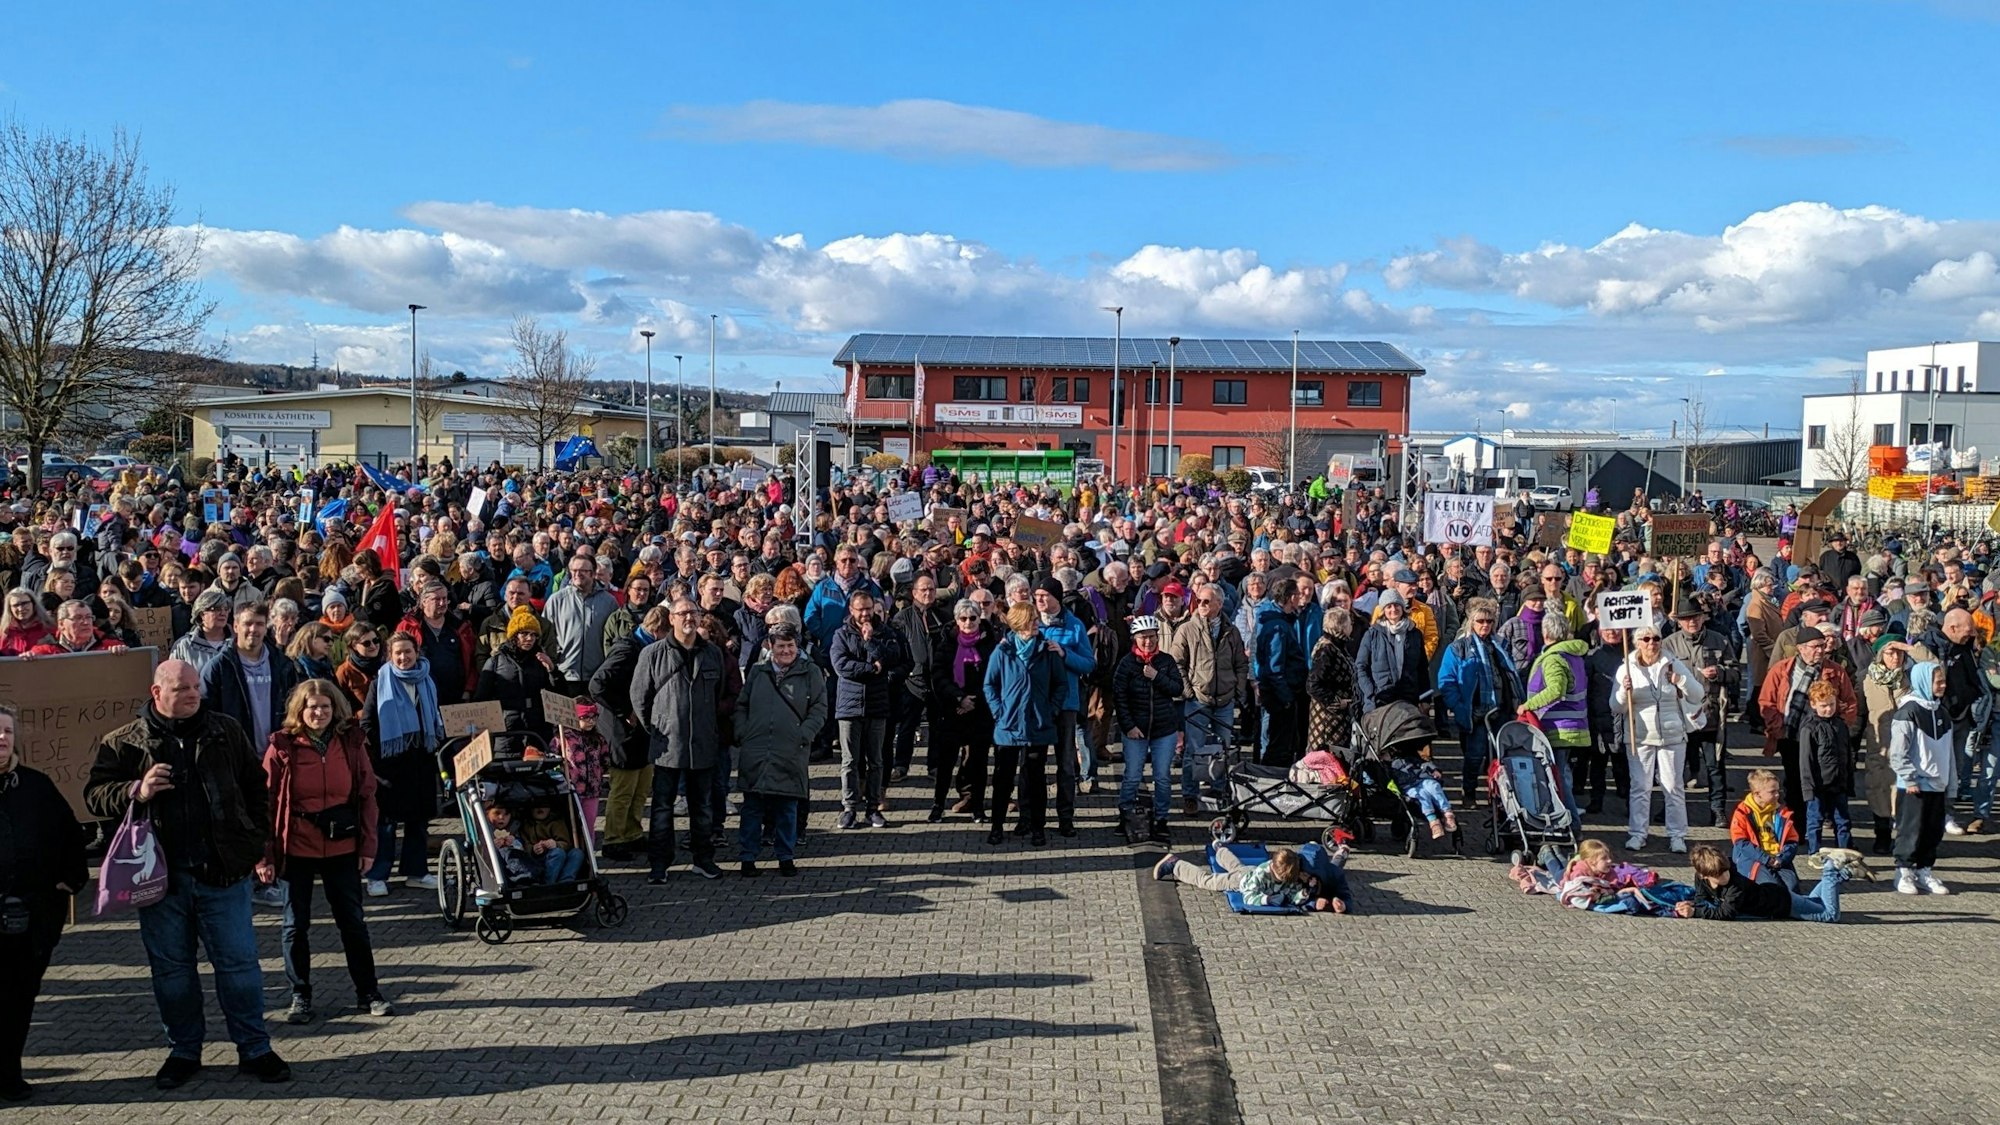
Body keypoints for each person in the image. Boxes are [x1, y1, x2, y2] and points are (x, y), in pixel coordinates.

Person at [84, 660, 292, 1089]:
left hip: (223, 874)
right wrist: (134, 790)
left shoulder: (225, 730)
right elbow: (94, 796)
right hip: (161, 881)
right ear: (157, 693)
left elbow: (257, 788)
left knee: (238, 966)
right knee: (173, 972)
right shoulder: (125, 742)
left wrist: (254, 844)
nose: (193, 694)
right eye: (182, 688)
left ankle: (254, 1048)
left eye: (196, 686)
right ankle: (184, 1050)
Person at [259, 679, 393, 1025]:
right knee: (294, 925)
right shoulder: (282, 746)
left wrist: (368, 847)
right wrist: (265, 856)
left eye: (325, 706)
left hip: (342, 844)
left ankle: (368, 992)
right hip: (297, 846)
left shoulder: (350, 743)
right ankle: (300, 995)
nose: (319, 713)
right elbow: (266, 804)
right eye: (312, 707)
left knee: (353, 923)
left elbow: (367, 796)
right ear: (299, 710)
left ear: (336, 709)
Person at [0, 703, 85, 1103]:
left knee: (19, 999)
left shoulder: (36, 786)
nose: (1, 739)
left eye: (6, 732)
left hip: (30, 919)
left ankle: (9, 1074)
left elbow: (69, 834)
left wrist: (70, 879)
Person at [630, 598, 734, 883]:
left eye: (693, 612)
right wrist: (658, 726)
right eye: (683, 613)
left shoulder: (713, 653)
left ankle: (703, 859)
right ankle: (659, 864)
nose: (689, 617)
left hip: (702, 743)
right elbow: (640, 698)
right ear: (671, 618)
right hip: (667, 745)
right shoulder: (652, 654)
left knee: (703, 807)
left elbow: (719, 693)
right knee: (662, 808)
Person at [732, 622, 826, 876]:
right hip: (757, 748)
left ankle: (785, 856)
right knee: (752, 806)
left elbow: (819, 708)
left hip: (791, 748)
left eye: (791, 646)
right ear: (770, 647)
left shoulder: (811, 672)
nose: (786, 651)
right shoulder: (757, 672)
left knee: (787, 806)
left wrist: (804, 734)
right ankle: (748, 857)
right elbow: (742, 705)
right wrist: (743, 732)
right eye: (781, 646)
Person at [360, 631, 444, 898]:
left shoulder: (427, 680)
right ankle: (377, 875)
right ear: (390, 655)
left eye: (408, 652)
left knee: (418, 821)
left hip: (421, 761)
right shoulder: (380, 682)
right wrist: (382, 752)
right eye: (398, 653)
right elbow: (367, 723)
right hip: (390, 766)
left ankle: (416, 872)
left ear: (416, 652)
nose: (403, 657)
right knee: (386, 824)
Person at [1612, 624, 1704, 853]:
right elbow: (1615, 705)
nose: (1651, 643)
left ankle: (1677, 835)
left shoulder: (1673, 663)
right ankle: (1638, 833)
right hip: (1640, 735)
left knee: (1673, 786)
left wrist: (1680, 680)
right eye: (1645, 639)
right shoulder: (1627, 668)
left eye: (1655, 638)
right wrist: (1624, 691)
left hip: (1672, 734)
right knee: (1640, 787)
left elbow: (1698, 693)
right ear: (1636, 643)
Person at [828, 589, 910, 829]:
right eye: (860, 609)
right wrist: (872, 669)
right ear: (851, 610)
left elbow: (892, 658)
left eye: (868, 609)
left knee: (876, 760)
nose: (865, 614)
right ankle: (849, 808)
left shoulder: (886, 633)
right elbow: (841, 666)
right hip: (849, 707)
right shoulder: (841, 634)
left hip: (878, 705)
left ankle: (873, 808)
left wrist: (870, 641)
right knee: (849, 761)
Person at [983, 603, 1062, 847]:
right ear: (1019, 624)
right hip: (1009, 726)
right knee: (1003, 779)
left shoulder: (1047, 651)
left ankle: (1038, 828)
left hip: (1038, 725)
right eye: (1032, 620)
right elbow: (990, 685)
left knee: (1036, 780)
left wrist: (1050, 710)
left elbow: (1060, 685)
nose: (1036, 624)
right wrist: (999, 712)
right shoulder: (1003, 651)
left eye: (1037, 620)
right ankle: (997, 827)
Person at [1167, 581, 1247, 815]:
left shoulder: (1231, 631)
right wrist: (1188, 691)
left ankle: (1219, 791)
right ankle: (1190, 795)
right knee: (1194, 750)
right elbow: (1176, 663)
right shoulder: (1187, 629)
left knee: (1222, 749)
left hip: (1224, 699)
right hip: (1197, 699)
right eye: (1198, 601)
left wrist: (1238, 689)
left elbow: (1241, 663)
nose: (1200, 605)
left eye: (1206, 601)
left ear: (1219, 604)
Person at [1437, 597, 1520, 804]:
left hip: (1502, 707)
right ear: (1471, 622)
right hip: (1476, 711)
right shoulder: (1458, 648)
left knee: (1501, 756)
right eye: (1480, 621)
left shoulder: (1501, 645)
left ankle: (1499, 795)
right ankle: (1469, 792)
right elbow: (1446, 681)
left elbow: (1512, 674)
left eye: (1489, 621)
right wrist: (1459, 707)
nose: (1485, 625)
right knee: (1474, 755)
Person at [1113, 615, 1185, 844]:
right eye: (1143, 638)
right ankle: (1125, 814)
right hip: (1136, 730)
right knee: (1132, 776)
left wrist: (1156, 677)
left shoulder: (1166, 661)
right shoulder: (1126, 664)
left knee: (1162, 777)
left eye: (1152, 637)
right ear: (1135, 639)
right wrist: (1129, 726)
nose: (1148, 642)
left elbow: (1177, 688)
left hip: (1164, 729)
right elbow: (1119, 698)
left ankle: (1161, 818)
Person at [1889, 660, 1956, 895]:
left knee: (1933, 830)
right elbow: (1898, 751)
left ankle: (1924, 869)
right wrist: (1909, 778)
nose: (1943, 685)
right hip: (1914, 785)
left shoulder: (1942, 713)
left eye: (1944, 681)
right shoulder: (1908, 711)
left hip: (1937, 784)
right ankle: (1903, 871)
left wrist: (1951, 783)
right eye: (1938, 681)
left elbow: (1949, 752)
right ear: (1924, 682)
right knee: (1911, 829)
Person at [928, 598, 997, 822]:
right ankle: (938, 805)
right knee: (946, 762)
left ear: (980, 618)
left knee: (977, 763)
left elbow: (993, 675)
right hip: (952, 711)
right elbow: (938, 675)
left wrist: (973, 700)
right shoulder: (947, 642)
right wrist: (958, 699)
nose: (968, 622)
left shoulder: (990, 642)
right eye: (963, 619)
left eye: (973, 618)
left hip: (980, 711)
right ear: (957, 620)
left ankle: (978, 806)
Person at [1516, 612, 1588, 821]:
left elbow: (1556, 689)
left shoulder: (1553, 659)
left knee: (1556, 778)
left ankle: (1571, 822)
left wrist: (1527, 706)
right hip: (1572, 723)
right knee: (1561, 774)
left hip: (1557, 725)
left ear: (1545, 632)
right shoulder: (1573, 656)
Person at [1674, 842, 1852, 923]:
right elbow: (1701, 896)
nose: (1724, 876)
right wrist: (1692, 904)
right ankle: (1844, 873)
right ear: (1703, 875)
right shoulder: (1701, 878)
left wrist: (1696, 913)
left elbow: (1726, 913)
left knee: (1830, 915)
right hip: (1775, 897)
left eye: (1725, 870)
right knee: (1816, 902)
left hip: (1784, 904)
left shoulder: (1736, 885)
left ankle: (1831, 868)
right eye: (1718, 875)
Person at [1151, 842, 1349, 912]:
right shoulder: (1260, 876)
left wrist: (1305, 894)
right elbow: (1248, 896)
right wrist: (1266, 899)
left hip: (1247, 871)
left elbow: (1291, 893)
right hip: (1241, 882)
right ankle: (1176, 864)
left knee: (1236, 865)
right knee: (1208, 881)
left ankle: (1220, 848)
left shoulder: (1286, 875)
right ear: (1273, 867)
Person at [546, 553, 618, 694]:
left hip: (596, 676)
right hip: (564, 675)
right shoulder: (556, 600)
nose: (578, 574)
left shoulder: (609, 602)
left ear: (592, 574)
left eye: (583, 571)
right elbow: (547, 636)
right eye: (574, 570)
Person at [476, 606, 553, 736]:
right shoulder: (495, 662)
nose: (529, 638)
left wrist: (552, 670)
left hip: (537, 727)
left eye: (533, 634)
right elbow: (481, 699)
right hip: (506, 728)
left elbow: (558, 694)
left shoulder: (541, 660)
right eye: (524, 633)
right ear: (513, 636)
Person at [1799, 679, 1855, 852]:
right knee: (1815, 821)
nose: (1829, 709)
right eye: (1824, 706)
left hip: (1839, 782)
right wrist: (1809, 788)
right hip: (1818, 785)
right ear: (1813, 704)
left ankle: (1844, 851)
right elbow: (1806, 761)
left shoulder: (1841, 725)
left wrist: (1849, 781)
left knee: (1842, 820)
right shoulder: (1809, 728)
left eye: (1832, 704)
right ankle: (1814, 852)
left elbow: (1847, 755)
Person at [1354, 588, 1429, 714]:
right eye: (1388, 606)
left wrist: (1425, 697)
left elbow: (1422, 668)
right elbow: (1360, 667)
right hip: (1380, 699)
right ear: (1383, 610)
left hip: (1408, 699)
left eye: (1396, 605)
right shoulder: (1372, 634)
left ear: (1402, 608)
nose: (1393, 609)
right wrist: (1370, 692)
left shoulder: (1414, 634)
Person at [1727, 768, 1799, 889]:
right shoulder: (1742, 813)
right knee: (1771, 886)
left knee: (1791, 887)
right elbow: (1741, 843)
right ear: (1757, 794)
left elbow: (1792, 841)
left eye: (1778, 791)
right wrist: (1766, 859)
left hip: (1778, 859)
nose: (1777, 795)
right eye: (1772, 792)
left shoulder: (1781, 812)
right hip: (1753, 860)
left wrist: (1781, 859)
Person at [552, 700, 610, 846]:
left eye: (594, 717)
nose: (591, 721)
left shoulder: (598, 739)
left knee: (589, 824)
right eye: (586, 717)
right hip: (571, 789)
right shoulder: (563, 738)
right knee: (571, 824)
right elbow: (552, 759)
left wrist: (598, 773)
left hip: (592, 791)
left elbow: (605, 760)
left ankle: (589, 853)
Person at [519, 802, 585, 883]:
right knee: (558, 853)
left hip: (559, 854)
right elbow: (523, 845)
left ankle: (566, 882)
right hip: (538, 861)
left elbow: (567, 844)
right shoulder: (526, 825)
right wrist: (533, 849)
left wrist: (556, 844)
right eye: (536, 807)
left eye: (544, 806)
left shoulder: (557, 822)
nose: (540, 809)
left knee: (577, 853)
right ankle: (548, 883)